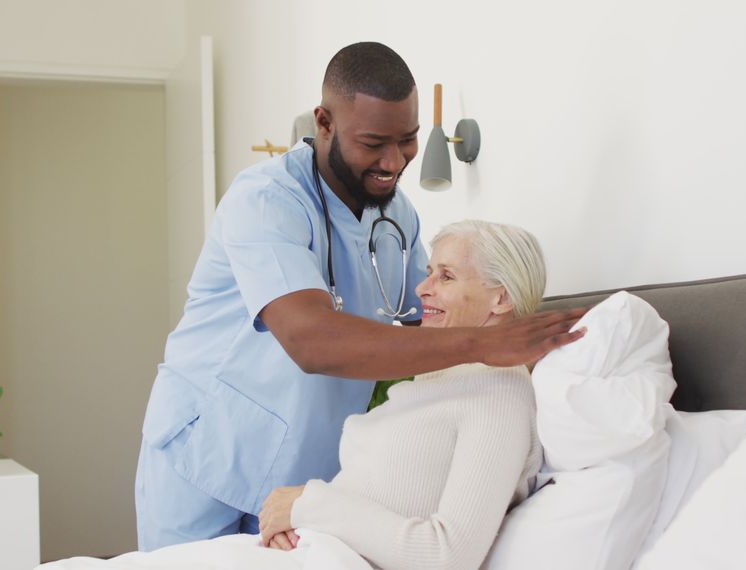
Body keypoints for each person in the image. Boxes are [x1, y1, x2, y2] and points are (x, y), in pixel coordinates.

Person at [135, 42, 586, 551]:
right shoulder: (266, 200)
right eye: (374, 143)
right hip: (209, 455)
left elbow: (429, 318)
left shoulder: (396, 215)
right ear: (324, 122)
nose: (394, 162)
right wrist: (483, 346)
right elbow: (313, 342)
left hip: (304, 478)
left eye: (408, 140)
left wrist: (532, 349)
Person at [257, 221, 549, 570]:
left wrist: (306, 505)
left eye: (446, 276)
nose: (422, 288)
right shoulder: (438, 379)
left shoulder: (500, 391)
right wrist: (292, 522)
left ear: (501, 298)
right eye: (429, 273)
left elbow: (447, 556)